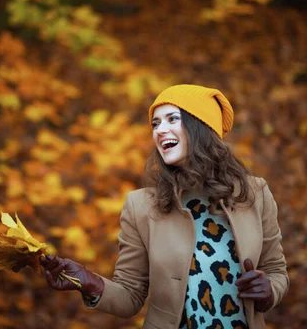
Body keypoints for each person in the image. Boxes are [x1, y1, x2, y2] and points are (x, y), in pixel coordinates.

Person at [39, 84, 289, 329]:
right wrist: (87, 281)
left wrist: (269, 291)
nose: (160, 130)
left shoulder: (254, 193)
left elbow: (276, 270)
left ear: (202, 126)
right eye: (155, 123)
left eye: (172, 119)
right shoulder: (141, 206)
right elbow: (130, 296)